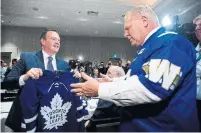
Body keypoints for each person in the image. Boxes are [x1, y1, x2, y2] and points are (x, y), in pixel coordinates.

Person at [71, 5, 199, 131]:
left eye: (128, 28)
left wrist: (100, 89)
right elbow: (138, 79)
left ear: (144, 21)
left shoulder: (171, 42)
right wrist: (112, 82)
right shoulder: (149, 47)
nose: (125, 34)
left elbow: (152, 88)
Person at [4, 30, 70, 131]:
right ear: (43, 41)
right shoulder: (26, 57)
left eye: (59, 40)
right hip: (25, 117)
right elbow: (7, 82)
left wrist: (76, 78)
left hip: (52, 119)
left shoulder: (64, 65)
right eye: (53, 39)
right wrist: (25, 77)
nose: (57, 42)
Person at [86, 66, 125, 132]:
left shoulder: (109, 95)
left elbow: (96, 118)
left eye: (109, 73)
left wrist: (88, 124)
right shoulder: (127, 92)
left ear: (117, 76)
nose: (106, 75)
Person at [194, 14, 201, 131]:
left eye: (200, 25)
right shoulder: (195, 50)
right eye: (196, 26)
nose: (197, 28)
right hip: (195, 101)